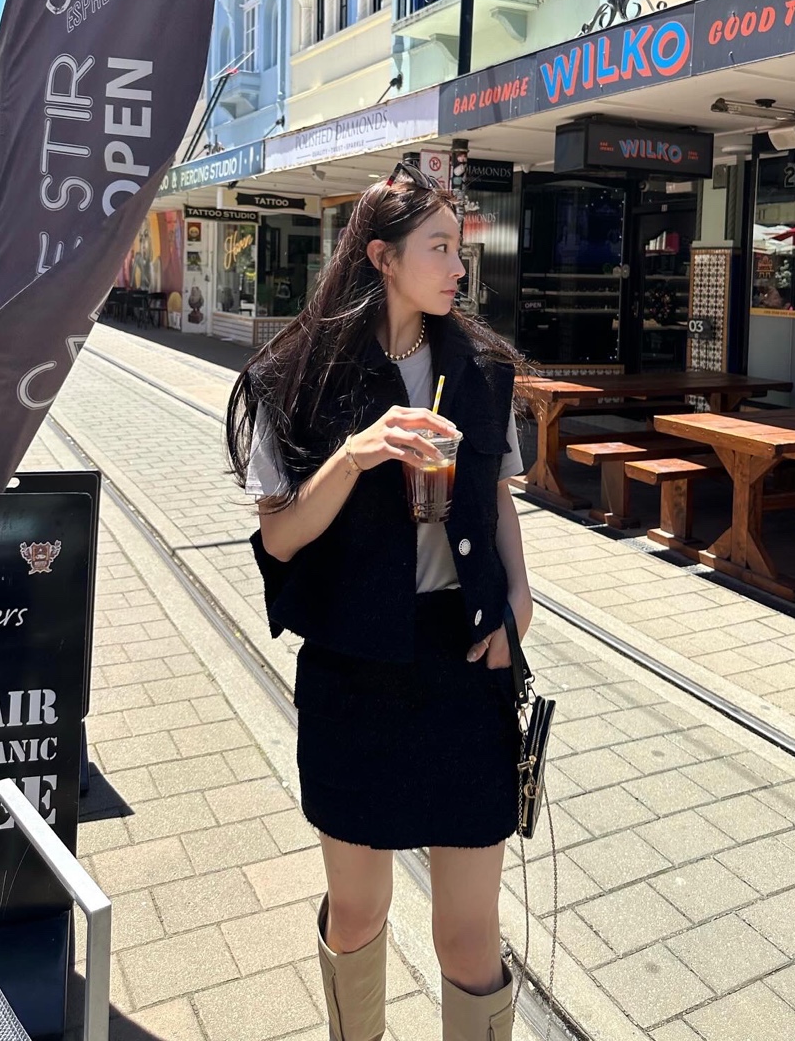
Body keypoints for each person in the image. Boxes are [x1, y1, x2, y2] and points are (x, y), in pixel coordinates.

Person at [226, 168, 533, 1041]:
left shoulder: (482, 369)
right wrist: (356, 455)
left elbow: (497, 497)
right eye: (440, 247)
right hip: (354, 668)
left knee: (469, 932)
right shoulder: (296, 375)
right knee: (359, 910)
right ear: (381, 257)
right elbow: (281, 538)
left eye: (460, 249)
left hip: (466, 663)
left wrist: (518, 603)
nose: (459, 268)